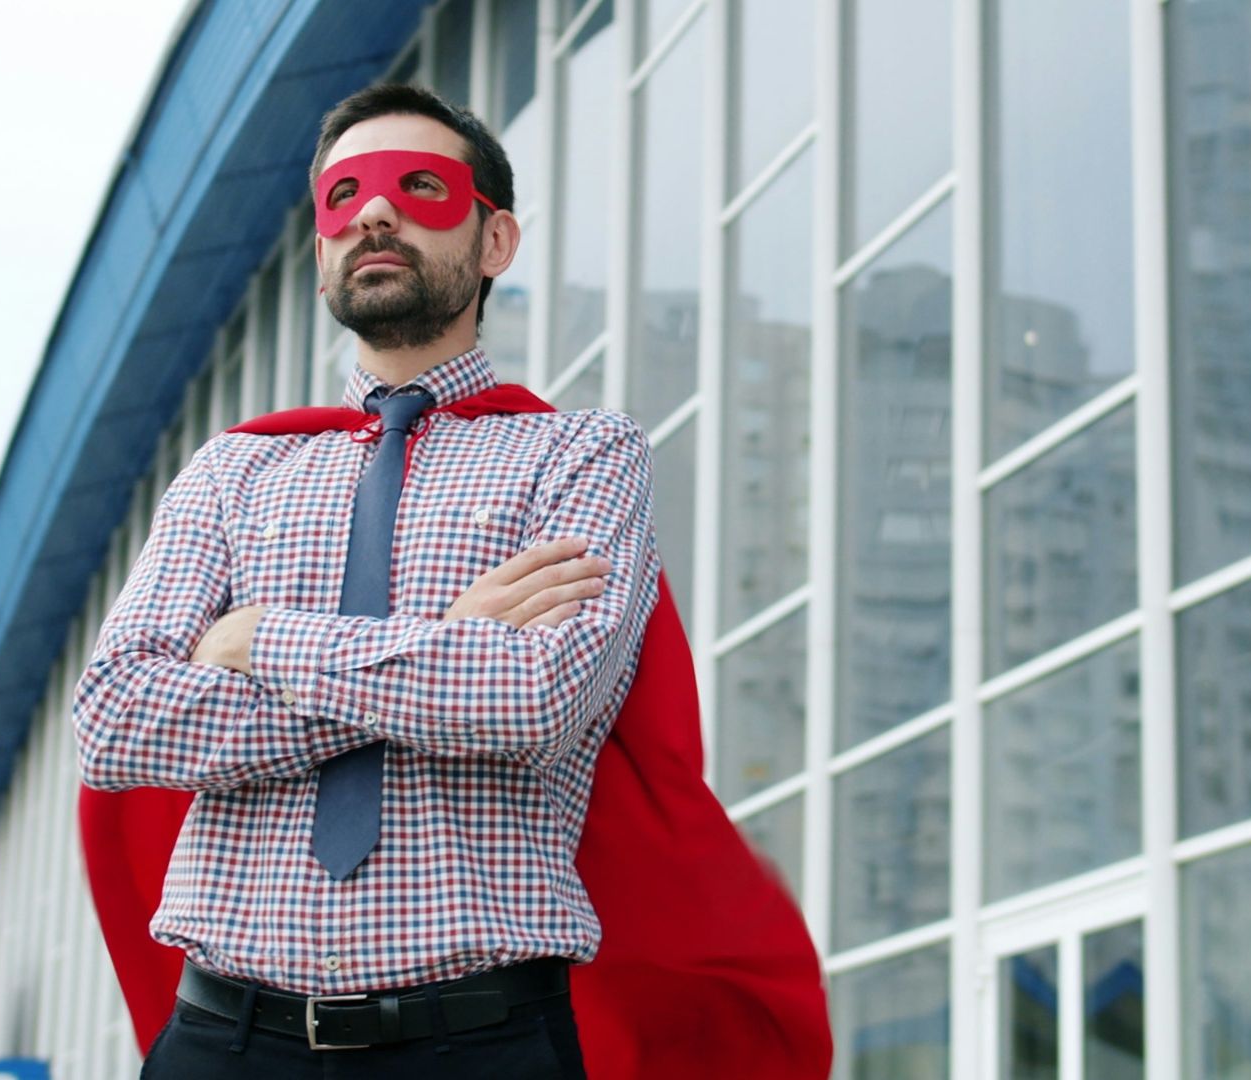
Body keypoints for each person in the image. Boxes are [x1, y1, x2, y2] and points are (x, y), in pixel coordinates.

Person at [73, 84, 828, 1079]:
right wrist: (443, 641)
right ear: (321, 254)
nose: (374, 214)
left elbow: (531, 699)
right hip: (226, 1041)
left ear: (495, 240)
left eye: (420, 187)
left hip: (479, 1044)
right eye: (344, 197)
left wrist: (259, 641)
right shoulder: (232, 473)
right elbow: (116, 719)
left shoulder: (581, 456)